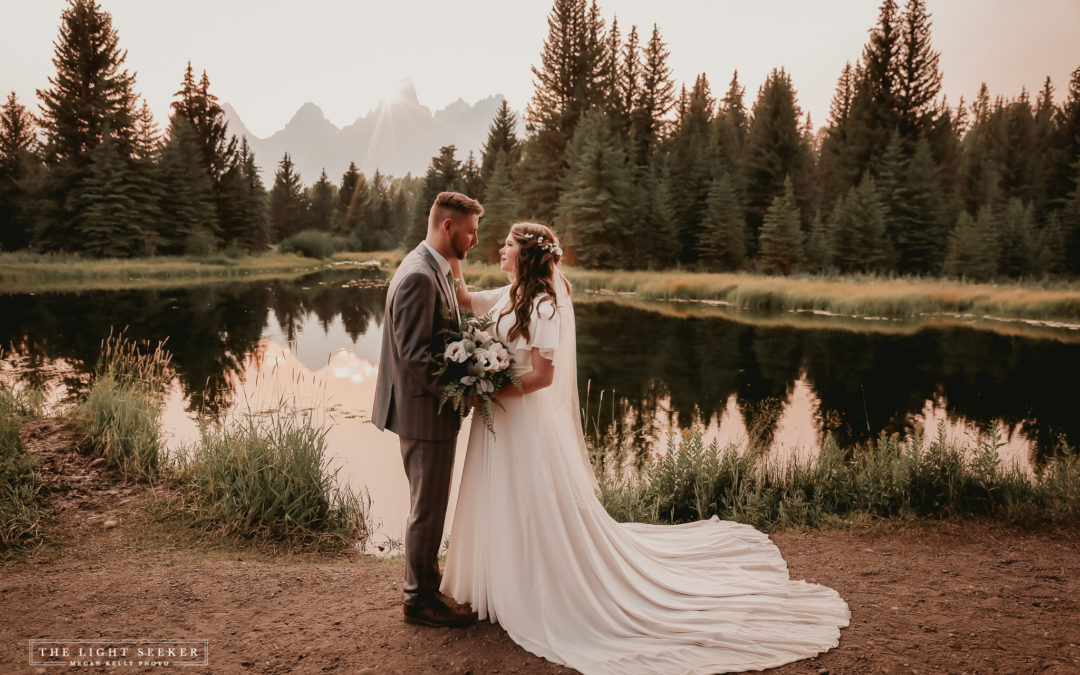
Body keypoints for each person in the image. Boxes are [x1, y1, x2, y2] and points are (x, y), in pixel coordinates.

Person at [442, 222, 850, 674]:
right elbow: (462, 299)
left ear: (528, 255)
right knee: (499, 495)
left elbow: (542, 376)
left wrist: (494, 386)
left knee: (530, 498)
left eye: (509, 246)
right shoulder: (507, 295)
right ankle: (498, 584)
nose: (500, 250)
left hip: (518, 416)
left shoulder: (544, 306)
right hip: (499, 417)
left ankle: (536, 588)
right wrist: (452, 248)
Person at [371, 191, 482, 628]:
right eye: (471, 231)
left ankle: (425, 589)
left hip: (424, 410)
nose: (475, 240)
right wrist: (461, 394)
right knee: (428, 508)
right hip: (426, 412)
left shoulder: (431, 266)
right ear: (448, 227)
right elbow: (416, 356)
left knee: (428, 504)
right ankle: (419, 600)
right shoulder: (419, 276)